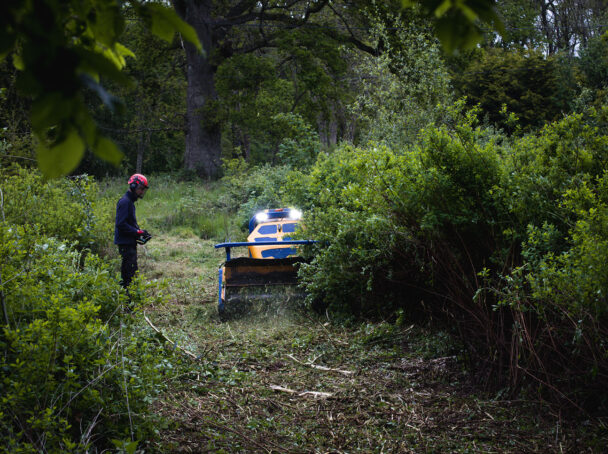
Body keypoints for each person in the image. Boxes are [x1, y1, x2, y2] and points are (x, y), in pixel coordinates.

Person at [114, 173, 150, 289]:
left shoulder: (129, 202)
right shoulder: (125, 202)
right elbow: (121, 224)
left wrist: (139, 232)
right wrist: (137, 232)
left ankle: (129, 299)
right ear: (134, 186)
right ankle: (127, 302)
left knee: (131, 273)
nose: (141, 192)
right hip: (125, 244)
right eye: (140, 189)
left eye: (143, 190)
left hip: (129, 243)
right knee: (128, 275)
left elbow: (128, 224)